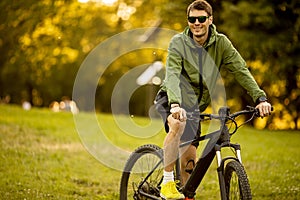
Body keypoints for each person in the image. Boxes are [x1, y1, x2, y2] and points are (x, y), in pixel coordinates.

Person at [155, 0, 272, 199]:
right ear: (188, 21)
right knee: (177, 124)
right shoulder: (178, 42)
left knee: (189, 160)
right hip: (171, 98)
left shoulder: (221, 43)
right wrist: (175, 104)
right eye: (192, 19)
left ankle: (186, 196)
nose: (197, 23)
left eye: (201, 19)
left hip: (195, 106)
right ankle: (166, 182)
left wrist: (260, 97)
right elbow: (173, 73)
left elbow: (240, 70)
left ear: (210, 19)